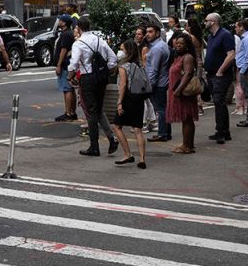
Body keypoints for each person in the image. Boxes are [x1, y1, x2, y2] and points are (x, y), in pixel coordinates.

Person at [71, 17, 119, 157]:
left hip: (87, 78)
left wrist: (70, 76)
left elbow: (73, 64)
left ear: (79, 28)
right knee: (98, 110)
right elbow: (113, 59)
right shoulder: (100, 40)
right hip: (101, 78)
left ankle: (94, 146)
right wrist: (106, 69)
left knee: (91, 112)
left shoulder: (79, 44)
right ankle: (111, 138)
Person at [112, 39, 149, 169]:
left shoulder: (124, 66)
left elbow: (122, 86)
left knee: (117, 126)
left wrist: (119, 102)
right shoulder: (139, 64)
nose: (120, 52)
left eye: (122, 49)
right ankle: (142, 158)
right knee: (138, 129)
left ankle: (128, 154)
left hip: (127, 98)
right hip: (138, 98)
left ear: (127, 51)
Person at [203, 13, 237, 143]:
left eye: (206, 20)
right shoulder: (211, 36)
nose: (205, 22)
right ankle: (223, 131)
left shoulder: (225, 35)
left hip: (220, 75)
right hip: (212, 73)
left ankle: (221, 132)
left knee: (219, 101)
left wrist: (221, 70)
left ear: (213, 22)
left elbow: (231, 54)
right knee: (218, 102)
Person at [167, 32, 202, 155]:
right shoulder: (178, 57)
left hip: (183, 92)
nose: (178, 45)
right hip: (178, 91)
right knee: (185, 119)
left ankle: (188, 146)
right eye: (177, 43)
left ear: (187, 46)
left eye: (181, 43)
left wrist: (177, 90)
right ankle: (186, 144)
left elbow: (188, 74)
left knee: (187, 118)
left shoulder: (188, 57)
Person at [145, 24, 173, 143]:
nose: (147, 34)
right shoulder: (161, 45)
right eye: (147, 32)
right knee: (163, 109)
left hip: (158, 83)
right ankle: (166, 132)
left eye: (150, 32)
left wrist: (149, 85)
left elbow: (154, 69)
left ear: (157, 33)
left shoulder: (157, 48)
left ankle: (162, 133)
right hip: (162, 81)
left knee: (160, 109)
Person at [53, 15, 78, 122]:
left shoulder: (66, 35)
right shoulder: (68, 33)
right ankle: (72, 112)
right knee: (70, 89)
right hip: (68, 64)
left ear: (64, 23)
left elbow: (63, 50)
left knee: (66, 89)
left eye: (61, 20)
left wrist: (59, 65)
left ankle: (68, 113)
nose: (59, 21)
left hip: (65, 65)